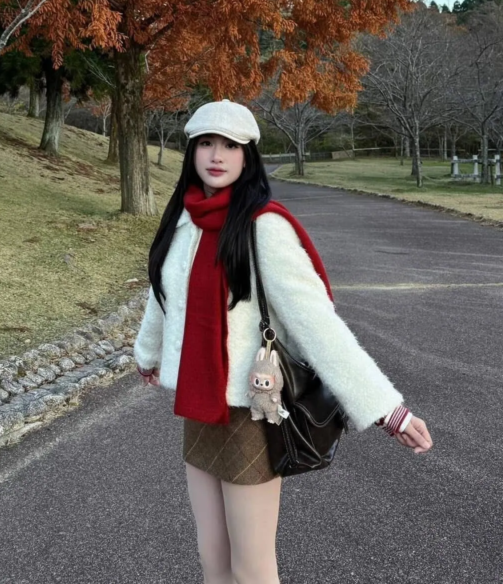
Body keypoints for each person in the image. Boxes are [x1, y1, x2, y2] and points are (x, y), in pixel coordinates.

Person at [134, 99, 433, 584]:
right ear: (191, 150)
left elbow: (319, 326)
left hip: (253, 410)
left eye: (230, 145)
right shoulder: (185, 219)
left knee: (251, 566)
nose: (216, 154)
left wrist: (386, 408)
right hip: (199, 406)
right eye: (206, 143)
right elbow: (163, 295)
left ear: (247, 154)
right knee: (212, 555)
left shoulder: (263, 227)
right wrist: (147, 354)